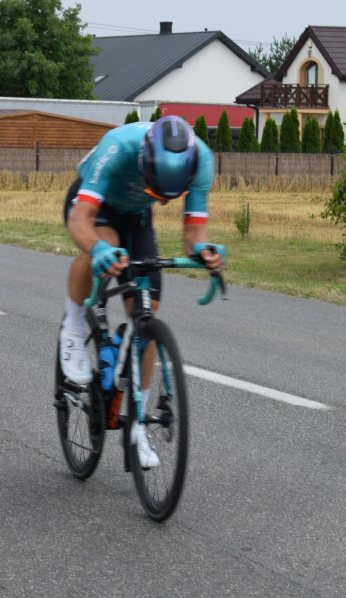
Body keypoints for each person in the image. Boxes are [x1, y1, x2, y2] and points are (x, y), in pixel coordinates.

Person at [59, 115, 224, 468]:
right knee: (106, 243)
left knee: (146, 313)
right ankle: (72, 329)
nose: (164, 202)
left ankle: (138, 428)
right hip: (94, 205)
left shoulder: (203, 161)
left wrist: (203, 251)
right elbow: (80, 221)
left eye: (171, 196)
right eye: (156, 191)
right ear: (144, 162)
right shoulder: (117, 147)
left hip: (137, 215)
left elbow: (194, 233)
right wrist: (98, 249)